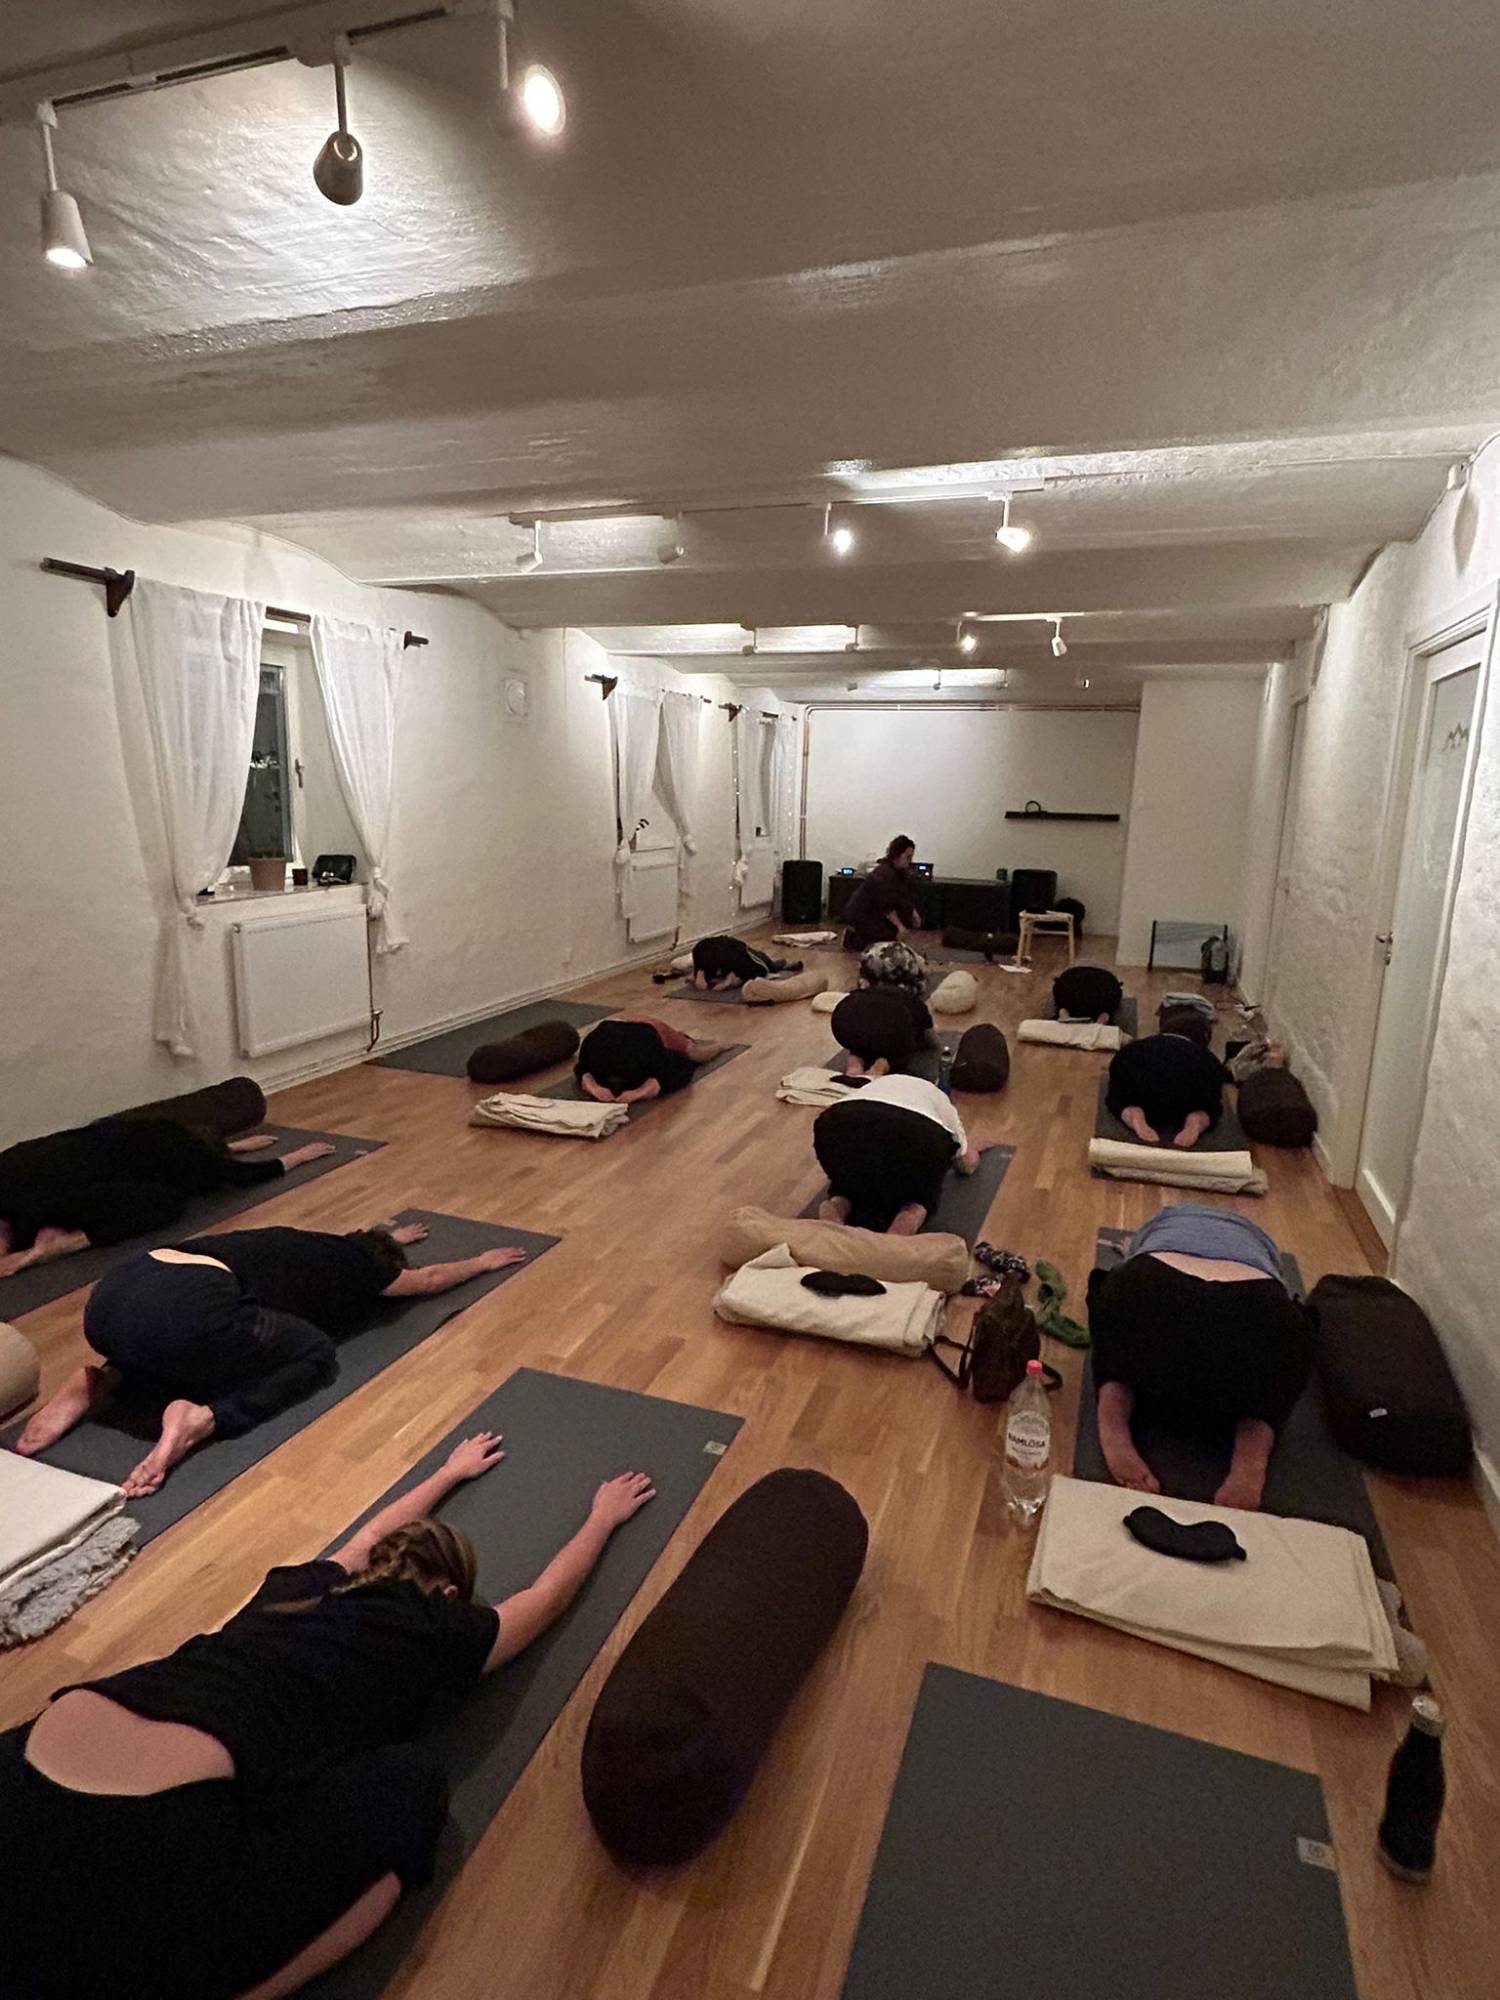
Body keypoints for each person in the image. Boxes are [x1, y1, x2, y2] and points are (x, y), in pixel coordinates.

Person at [0, 1429, 655, 2000]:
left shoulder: (298, 1587)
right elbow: (547, 1595)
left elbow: (367, 1535)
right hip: (155, 1821)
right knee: (408, 1788)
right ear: (450, 1592)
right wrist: (603, 1518)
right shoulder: (435, 1623)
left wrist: (450, 1473)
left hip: (44, 1742)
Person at [14, 1219, 529, 1495]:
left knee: (176, 1344)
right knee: (316, 1353)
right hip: (189, 1311)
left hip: (111, 1301)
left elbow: (367, 1240)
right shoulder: (363, 1269)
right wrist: (482, 1262)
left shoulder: (301, 1244)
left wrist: (391, 1234)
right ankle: (204, 1417)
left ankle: (105, 1378)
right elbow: (428, 1279)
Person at [1086, 1205, 1314, 1511]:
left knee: (1113, 1323)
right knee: (1286, 1351)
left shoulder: (1162, 1220)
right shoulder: (1262, 1243)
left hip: (1152, 1289)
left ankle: (1113, 1416)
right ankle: (1252, 1450)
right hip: (1257, 1310)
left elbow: (1127, 1262)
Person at [0, 1115, 336, 1283]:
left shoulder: (60, 1200)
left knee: (211, 1182)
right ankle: (227, 1148)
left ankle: (233, 1151)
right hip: (123, 1150)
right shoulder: (26, 1191)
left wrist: (296, 1158)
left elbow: (166, 1203)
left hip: (154, 1152)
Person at [813, 1073, 981, 1234]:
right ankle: (896, 1237)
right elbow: (966, 1163)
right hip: (915, 1131)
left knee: (844, 1188)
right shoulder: (941, 1100)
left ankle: (833, 1213)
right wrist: (972, 1150)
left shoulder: (876, 1085)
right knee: (920, 1199)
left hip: (837, 1123)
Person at [1104, 1006, 1230, 1148]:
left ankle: (1133, 1112)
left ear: (1163, 1030)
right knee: (1210, 1107)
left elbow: (1116, 1073)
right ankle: (1196, 1119)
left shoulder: (1132, 1049)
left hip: (1142, 1093)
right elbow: (1215, 1096)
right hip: (1184, 1102)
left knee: (1118, 1098)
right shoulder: (1209, 1061)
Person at [575, 1017, 726, 1105]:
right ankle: (649, 1087)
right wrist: (720, 1047)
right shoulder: (667, 1033)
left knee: (586, 1066)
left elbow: (582, 1063)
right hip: (640, 1051)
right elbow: (696, 1057)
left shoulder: (633, 1022)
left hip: (596, 1045)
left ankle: (589, 1081)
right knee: (688, 1061)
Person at [842, 835, 926, 951]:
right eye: (908, 857)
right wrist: (900, 927)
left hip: (876, 917)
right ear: (897, 855)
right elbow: (886, 906)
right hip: (864, 919)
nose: (910, 861)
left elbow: (904, 897)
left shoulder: (899, 874)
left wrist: (913, 914)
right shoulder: (882, 875)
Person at [831, 986, 934, 1079]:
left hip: (852, 1018)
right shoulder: (913, 1011)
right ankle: (881, 1065)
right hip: (897, 1022)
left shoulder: (861, 1001)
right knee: (899, 1051)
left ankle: (855, 1064)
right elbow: (926, 1035)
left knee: (860, 1044)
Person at [687, 935, 798, 991]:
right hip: (725, 951)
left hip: (740, 954)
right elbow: (701, 983)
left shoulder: (733, 958)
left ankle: (778, 965)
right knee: (760, 961)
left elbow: (704, 984)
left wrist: (727, 982)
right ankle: (777, 964)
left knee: (765, 967)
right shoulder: (701, 955)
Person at [1052, 960, 1124, 1025]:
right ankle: (1102, 1018)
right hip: (1104, 985)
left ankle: (1064, 1013)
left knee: (1063, 1004)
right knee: (1107, 1010)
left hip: (1070, 983)